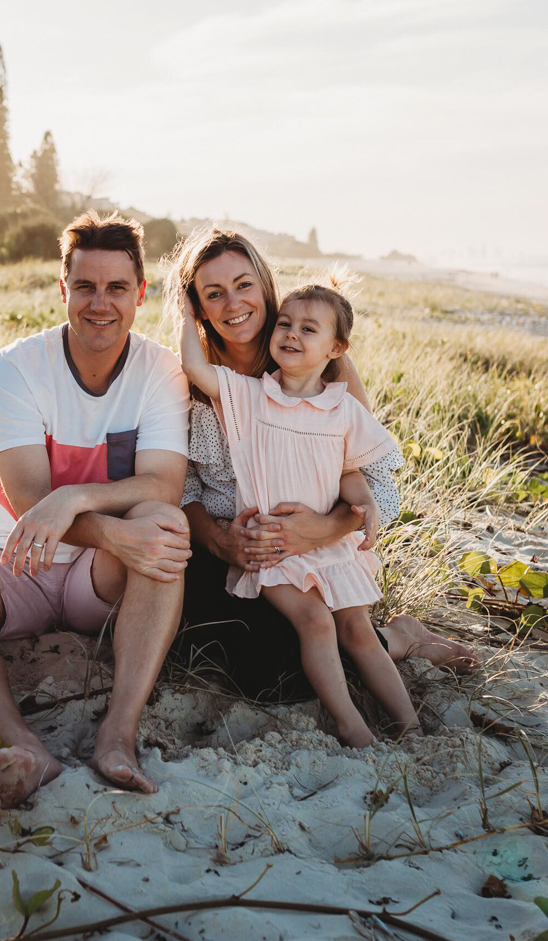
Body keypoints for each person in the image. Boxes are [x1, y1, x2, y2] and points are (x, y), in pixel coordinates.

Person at [0, 211, 191, 804]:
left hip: (94, 580)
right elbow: (29, 497)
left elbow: (163, 482)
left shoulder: (161, 370)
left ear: (140, 294)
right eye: (84, 286)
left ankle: (117, 734)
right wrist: (102, 527)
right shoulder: (17, 366)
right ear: (64, 290)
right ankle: (25, 745)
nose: (99, 303)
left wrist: (78, 498)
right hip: (13, 561)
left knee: (165, 525)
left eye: (115, 288)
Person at [165, 227, 476, 703]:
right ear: (197, 306)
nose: (233, 304)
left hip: (310, 554)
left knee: (289, 673)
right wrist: (219, 539)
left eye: (244, 285)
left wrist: (321, 530)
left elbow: (378, 489)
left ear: (266, 286)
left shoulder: (318, 364)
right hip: (227, 554)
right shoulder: (189, 377)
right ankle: (384, 641)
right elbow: (179, 488)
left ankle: (400, 637)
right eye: (214, 293)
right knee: (231, 665)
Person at [180, 277, 421, 747]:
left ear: (336, 348)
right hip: (274, 549)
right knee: (314, 622)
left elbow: (350, 471)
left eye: (309, 330)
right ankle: (349, 721)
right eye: (285, 324)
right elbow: (194, 365)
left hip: (329, 546)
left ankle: (408, 722)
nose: (291, 334)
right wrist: (185, 312)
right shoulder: (248, 397)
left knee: (356, 628)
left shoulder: (343, 410)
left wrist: (364, 503)